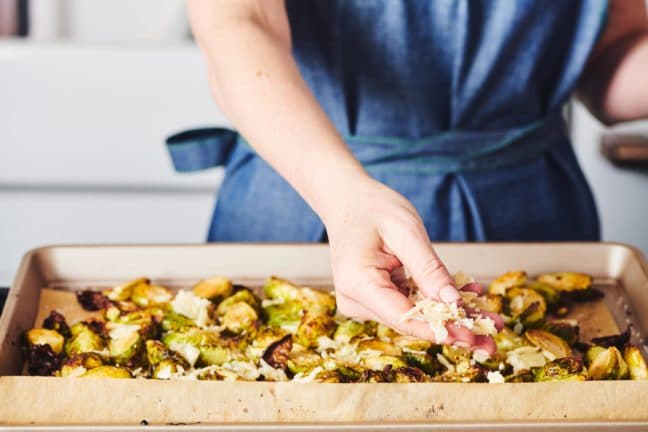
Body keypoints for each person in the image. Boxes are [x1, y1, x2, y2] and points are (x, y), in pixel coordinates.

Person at [171, 0, 648, 354]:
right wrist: (339, 191)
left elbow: (607, 57)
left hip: (525, 210)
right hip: (305, 196)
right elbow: (237, 22)